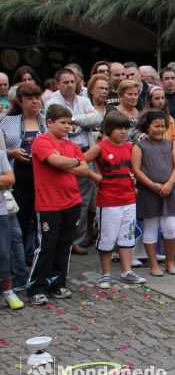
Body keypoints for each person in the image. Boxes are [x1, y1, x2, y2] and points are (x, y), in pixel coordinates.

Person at [28, 105, 95, 305]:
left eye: (69, 123)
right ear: (50, 122)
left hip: (71, 201)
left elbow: (84, 169)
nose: (67, 127)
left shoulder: (70, 145)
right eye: (63, 123)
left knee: (65, 245)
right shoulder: (42, 141)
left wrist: (70, 162)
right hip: (49, 204)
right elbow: (55, 161)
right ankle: (37, 287)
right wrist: (73, 162)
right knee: (47, 246)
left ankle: (57, 283)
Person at [83, 111, 146, 288]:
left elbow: (134, 169)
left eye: (125, 128)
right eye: (119, 128)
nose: (123, 132)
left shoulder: (130, 147)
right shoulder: (100, 147)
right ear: (109, 129)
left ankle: (126, 271)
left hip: (128, 199)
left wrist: (134, 185)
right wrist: (94, 177)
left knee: (127, 236)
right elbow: (81, 162)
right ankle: (106, 274)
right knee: (107, 238)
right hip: (108, 200)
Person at [46, 68, 103, 255]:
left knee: (84, 202)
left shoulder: (84, 100)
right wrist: (81, 123)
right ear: (58, 83)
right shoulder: (52, 102)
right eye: (66, 82)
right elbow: (66, 130)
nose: (70, 85)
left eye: (73, 81)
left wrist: (72, 120)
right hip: (64, 155)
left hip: (86, 154)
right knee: (64, 199)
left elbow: (97, 118)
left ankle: (76, 241)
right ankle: (62, 241)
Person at [132, 110, 175, 276]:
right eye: (156, 126)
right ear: (148, 126)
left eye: (163, 126)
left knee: (170, 227)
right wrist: (152, 185)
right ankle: (153, 264)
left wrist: (169, 184)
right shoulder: (140, 146)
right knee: (151, 227)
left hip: (169, 191)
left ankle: (170, 261)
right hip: (149, 193)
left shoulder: (171, 145)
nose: (160, 129)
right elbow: (136, 169)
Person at [0, 83, 46, 263]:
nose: (34, 101)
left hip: (43, 176)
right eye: (29, 98)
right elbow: (1, 151)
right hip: (18, 176)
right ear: (20, 101)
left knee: (42, 221)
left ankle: (38, 259)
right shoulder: (7, 121)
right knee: (20, 220)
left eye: (37, 97)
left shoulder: (47, 119)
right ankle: (19, 263)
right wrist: (13, 152)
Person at [0, 148, 23, 309]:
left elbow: (10, 179)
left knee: (4, 253)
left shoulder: (0, 154)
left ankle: (8, 292)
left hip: (1, 212)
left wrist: (5, 180)